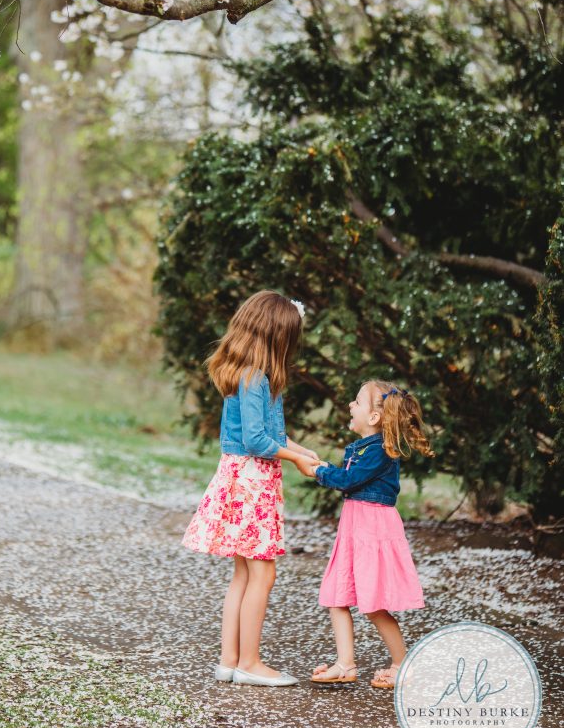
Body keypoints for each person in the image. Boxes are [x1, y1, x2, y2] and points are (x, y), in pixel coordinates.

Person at [181, 290, 322, 687]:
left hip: (241, 477)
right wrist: (293, 459)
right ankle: (250, 663)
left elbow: (271, 434)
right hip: (251, 484)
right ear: (276, 337)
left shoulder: (250, 376)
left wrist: (300, 450)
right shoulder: (255, 379)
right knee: (262, 574)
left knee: (243, 574)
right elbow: (259, 443)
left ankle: (229, 660)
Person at [301, 381, 434, 689]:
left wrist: (320, 471)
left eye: (357, 402)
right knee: (337, 596)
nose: (350, 405)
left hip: (372, 531)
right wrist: (325, 468)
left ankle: (402, 664)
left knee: (373, 604)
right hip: (354, 530)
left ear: (374, 417)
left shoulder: (380, 451)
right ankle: (345, 664)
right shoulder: (364, 448)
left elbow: (350, 480)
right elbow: (350, 478)